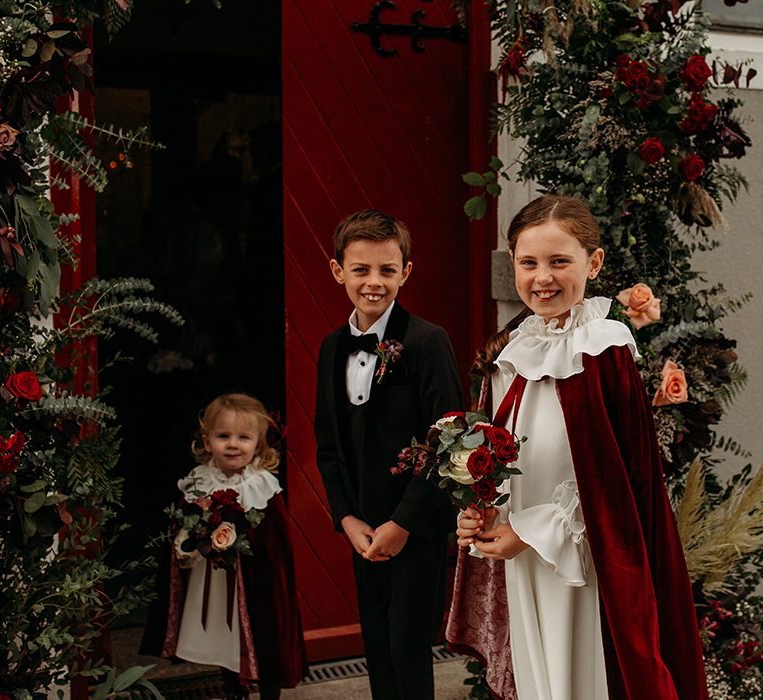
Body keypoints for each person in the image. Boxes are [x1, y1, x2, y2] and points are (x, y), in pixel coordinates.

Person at [446, 195, 709, 700]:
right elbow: (499, 455)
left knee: (581, 679)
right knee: (538, 679)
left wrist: (532, 529)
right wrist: (478, 511)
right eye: (528, 263)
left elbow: (615, 484)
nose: (542, 277)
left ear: (594, 262)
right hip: (520, 558)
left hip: (582, 564)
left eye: (558, 261)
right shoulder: (513, 348)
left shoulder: (603, 350)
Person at [314, 210, 461, 700]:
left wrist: (403, 524)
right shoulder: (332, 348)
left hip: (413, 528)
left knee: (408, 649)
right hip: (364, 529)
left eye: (386, 270)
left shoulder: (426, 341)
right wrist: (347, 517)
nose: (373, 282)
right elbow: (329, 443)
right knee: (375, 646)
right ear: (338, 271)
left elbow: (449, 442)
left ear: (406, 272)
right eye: (360, 269)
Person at [141, 394, 307, 700]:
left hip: (255, 586)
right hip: (212, 580)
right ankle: (234, 691)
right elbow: (182, 531)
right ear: (206, 442)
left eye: (244, 437)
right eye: (223, 436)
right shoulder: (198, 483)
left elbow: (274, 548)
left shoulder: (263, 487)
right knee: (225, 639)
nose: (233, 444)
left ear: (258, 445)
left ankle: (270, 694)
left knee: (263, 636)